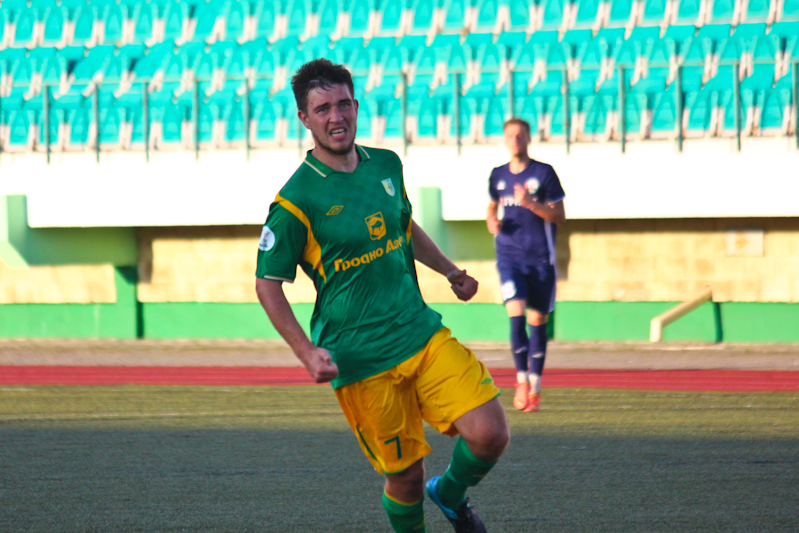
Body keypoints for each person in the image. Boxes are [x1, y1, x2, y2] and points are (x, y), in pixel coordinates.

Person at [255, 58, 510, 533]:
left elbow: (403, 227)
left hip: (419, 333)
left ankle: (450, 494)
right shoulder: (295, 200)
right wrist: (306, 351)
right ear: (304, 119)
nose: (336, 117)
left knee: (490, 432)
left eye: (343, 104)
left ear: (356, 105)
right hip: (361, 359)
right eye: (323, 108)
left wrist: (450, 271)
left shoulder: (387, 164)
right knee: (406, 478)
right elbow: (267, 283)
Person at [486, 118, 566, 413]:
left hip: (541, 259)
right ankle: (521, 380)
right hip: (509, 257)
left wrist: (532, 203)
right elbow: (492, 205)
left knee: (538, 321)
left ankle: (535, 386)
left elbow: (560, 216)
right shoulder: (498, 175)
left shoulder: (544, 173)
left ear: (529, 138)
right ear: (505, 140)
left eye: (520, 135)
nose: (515, 140)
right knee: (516, 313)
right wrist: (491, 221)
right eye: (510, 135)